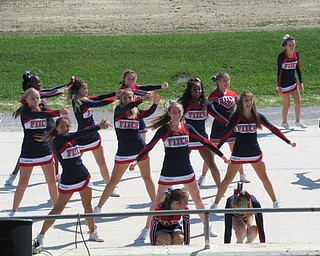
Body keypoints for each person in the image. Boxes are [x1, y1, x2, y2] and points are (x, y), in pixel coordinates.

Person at [129, 101, 230, 240]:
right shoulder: (164, 130)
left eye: (179, 112)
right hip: (169, 172)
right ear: (169, 113)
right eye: (174, 112)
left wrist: (222, 155)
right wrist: (136, 160)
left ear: (183, 114)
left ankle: (206, 226)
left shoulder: (188, 127)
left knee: (198, 200)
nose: (176, 114)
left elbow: (205, 141)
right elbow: (149, 146)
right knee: (157, 201)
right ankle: (146, 229)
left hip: (186, 170)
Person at [32, 117, 110, 250]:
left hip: (83, 176)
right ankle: (40, 236)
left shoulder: (71, 137)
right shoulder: (58, 140)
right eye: (62, 126)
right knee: (57, 210)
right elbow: (79, 134)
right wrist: (97, 127)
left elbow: (81, 135)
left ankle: (92, 232)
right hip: (68, 180)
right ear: (56, 128)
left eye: (67, 126)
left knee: (87, 206)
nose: (65, 129)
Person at [212, 91, 296, 209]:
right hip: (238, 153)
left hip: (254, 153)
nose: (248, 103)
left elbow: (273, 128)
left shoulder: (257, 116)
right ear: (241, 102)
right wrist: (217, 150)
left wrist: (288, 141)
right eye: (246, 100)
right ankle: (215, 204)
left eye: (250, 100)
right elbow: (226, 134)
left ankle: (275, 202)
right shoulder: (236, 117)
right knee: (227, 179)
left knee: (264, 177)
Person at [93, 89, 160, 213]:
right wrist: (141, 100)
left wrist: (155, 104)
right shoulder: (118, 111)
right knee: (114, 181)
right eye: (125, 98)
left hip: (140, 149)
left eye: (130, 98)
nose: (127, 100)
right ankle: (98, 207)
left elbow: (148, 112)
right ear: (121, 99)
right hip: (124, 151)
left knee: (147, 177)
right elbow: (128, 106)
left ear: (133, 98)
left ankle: (155, 205)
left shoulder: (136, 112)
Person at [4, 70, 74, 186]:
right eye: (37, 82)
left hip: (47, 123)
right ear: (30, 84)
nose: (40, 83)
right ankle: (14, 175)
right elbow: (54, 92)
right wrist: (67, 86)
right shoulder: (33, 96)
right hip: (38, 125)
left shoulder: (37, 93)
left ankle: (55, 174)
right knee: (29, 153)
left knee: (53, 148)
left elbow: (53, 91)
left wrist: (68, 84)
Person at [8, 88, 69, 216]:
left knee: (52, 182)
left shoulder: (44, 109)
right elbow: (41, 115)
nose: (36, 100)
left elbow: (50, 117)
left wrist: (61, 115)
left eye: (37, 98)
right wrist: (58, 112)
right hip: (28, 152)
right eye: (32, 98)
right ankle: (13, 211)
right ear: (26, 100)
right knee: (22, 184)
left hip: (44, 151)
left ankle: (56, 209)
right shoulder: (26, 112)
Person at [67, 79, 119, 197]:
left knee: (102, 162)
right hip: (81, 137)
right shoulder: (79, 102)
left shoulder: (86, 99)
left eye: (87, 88)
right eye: (84, 88)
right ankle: (63, 186)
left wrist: (114, 94)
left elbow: (99, 97)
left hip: (93, 136)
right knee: (72, 163)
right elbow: (98, 104)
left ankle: (109, 187)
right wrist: (115, 99)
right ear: (77, 90)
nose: (86, 90)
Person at [199, 72, 250, 186]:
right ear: (218, 82)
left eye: (228, 80)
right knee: (211, 153)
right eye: (224, 80)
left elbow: (241, 106)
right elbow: (208, 109)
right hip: (218, 128)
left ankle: (242, 174)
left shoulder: (233, 94)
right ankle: (203, 176)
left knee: (236, 152)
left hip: (231, 127)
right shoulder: (213, 96)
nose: (227, 83)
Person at [178, 77, 229, 188]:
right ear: (190, 91)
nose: (197, 92)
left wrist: (230, 124)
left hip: (202, 139)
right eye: (195, 90)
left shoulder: (205, 104)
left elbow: (217, 116)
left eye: (199, 89)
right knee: (178, 162)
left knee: (212, 164)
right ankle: (169, 187)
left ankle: (220, 188)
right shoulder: (185, 104)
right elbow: (176, 118)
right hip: (188, 139)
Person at [118, 69, 169, 142]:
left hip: (135, 113)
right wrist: (145, 94)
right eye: (128, 78)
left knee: (142, 137)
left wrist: (160, 86)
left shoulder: (134, 86)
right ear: (124, 79)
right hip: (126, 116)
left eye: (133, 79)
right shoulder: (124, 89)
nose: (131, 80)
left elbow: (145, 87)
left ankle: (143, 150)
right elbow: (135, 91)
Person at [277, 34, 307, 130]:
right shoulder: (282, 56)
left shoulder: (296, 54)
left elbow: (298, 68)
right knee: (287, 104)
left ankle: (298, 121)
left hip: (293, 82)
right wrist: (279, 85)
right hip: (284, 84)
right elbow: (279, 71)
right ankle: (284, 123)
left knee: (298, 102)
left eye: (293, 45)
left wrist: (301, 82)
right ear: (285, 45)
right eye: (290, 45)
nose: (292, 47)